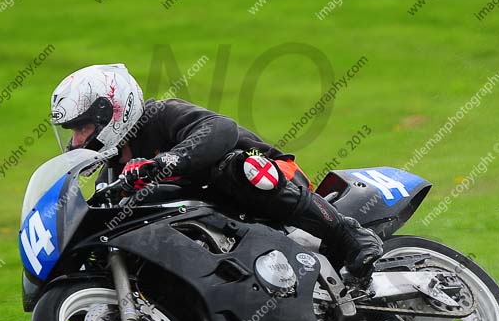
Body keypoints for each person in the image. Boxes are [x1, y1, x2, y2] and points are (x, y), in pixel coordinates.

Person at [49, 64, 383, 279]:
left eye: (81, 127)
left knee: (239, 168)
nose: (77, 140)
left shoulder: (161, 115)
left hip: (270, 179)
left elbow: (218, 129)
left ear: (113, 110)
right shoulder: (115, 174)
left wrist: (170, 160)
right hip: (223, 224)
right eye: (73, 131)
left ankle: (347, 234)